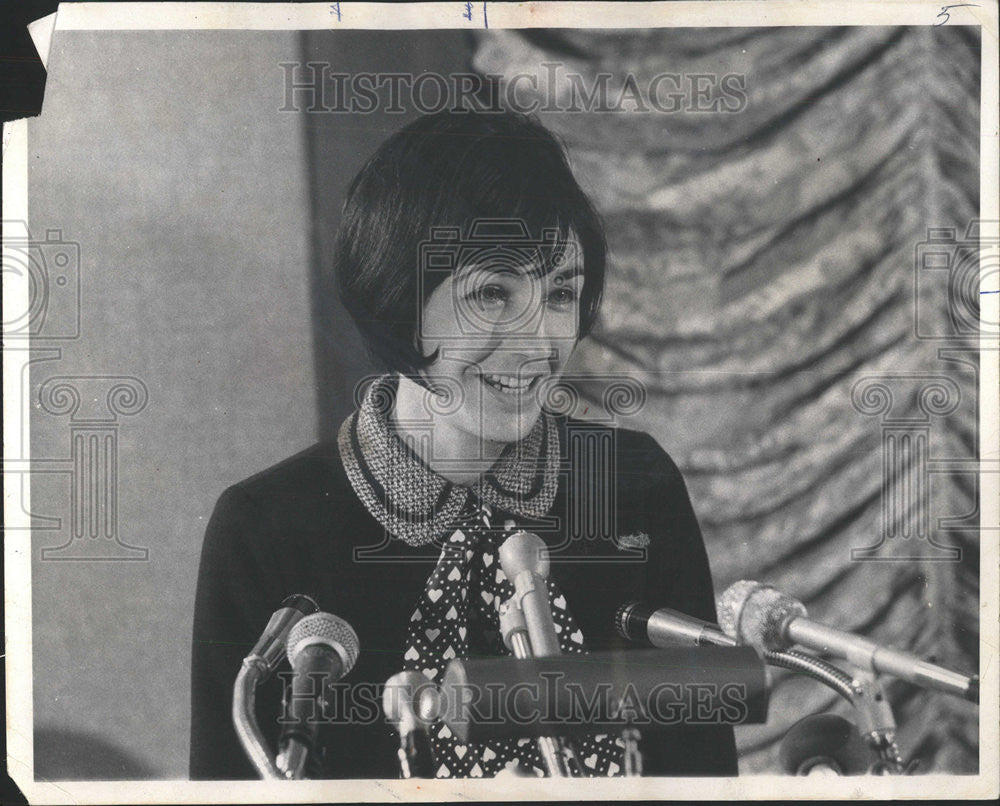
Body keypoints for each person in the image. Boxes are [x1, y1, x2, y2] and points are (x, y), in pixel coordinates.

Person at [190, 109, 738, 779]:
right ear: (400, 294)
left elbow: (703, 775)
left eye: (561, 293)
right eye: (493, 294)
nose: (539, 342)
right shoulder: (267, 529)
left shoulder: (635, 486)